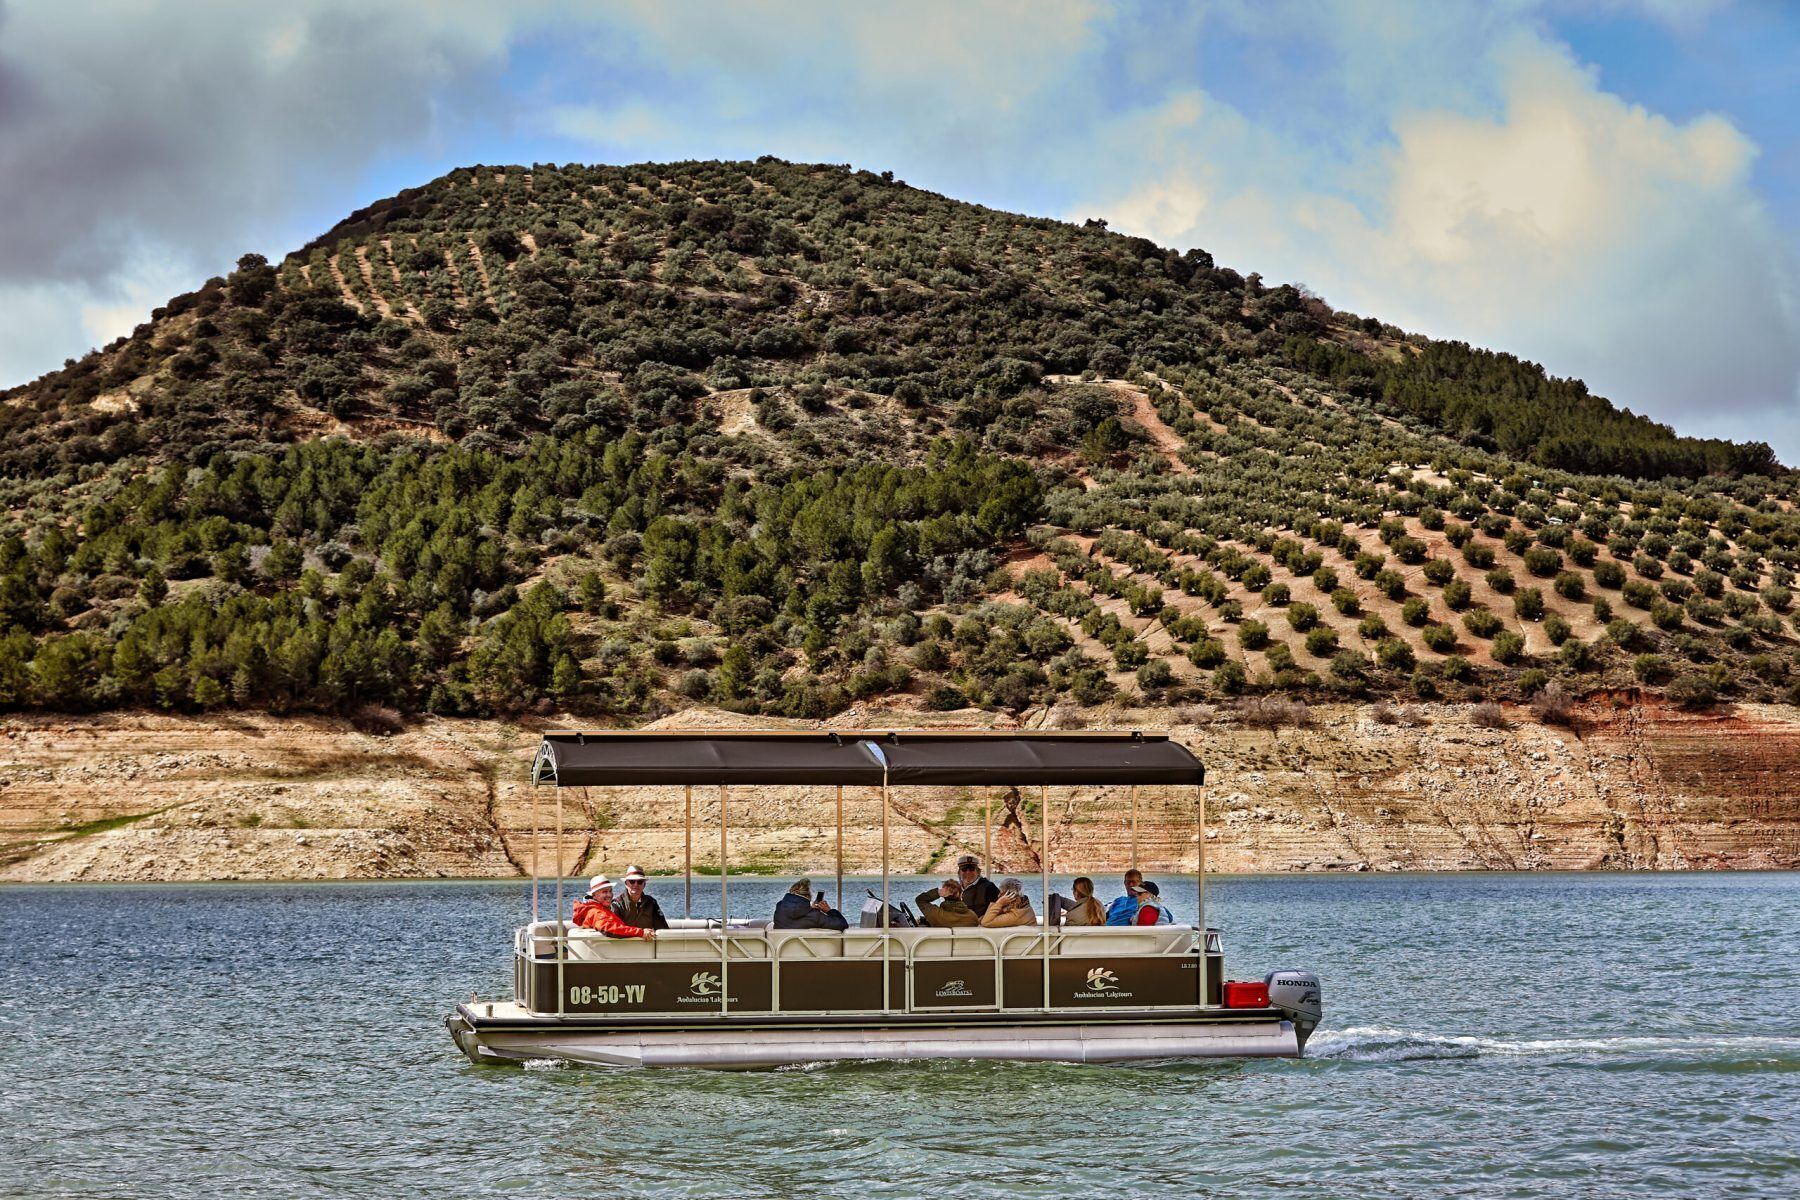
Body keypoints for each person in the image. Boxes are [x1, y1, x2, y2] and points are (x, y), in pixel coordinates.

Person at [571, 876, 655, 940]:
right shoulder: (596, 912)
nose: (609, 895)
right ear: (594, 896)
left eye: (610, 891)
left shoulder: (599, 909)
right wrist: (640, 932)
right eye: (604, 892)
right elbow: (610, 929)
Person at [772, 878, 849, 931]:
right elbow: (842, 924)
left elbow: (797, 911)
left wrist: (809, 909)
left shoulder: (779, 909)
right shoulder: (815, 916)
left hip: (781, 949)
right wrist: (829, 911)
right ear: (808, 896)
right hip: (805, 950)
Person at [611, 864, 670, 931]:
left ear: (644, 884)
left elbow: (662, 927)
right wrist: (640, 932)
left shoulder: (651, 902)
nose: (636, 884)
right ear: (626, 883)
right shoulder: (617, 904)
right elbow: (615, 929)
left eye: (640, 882)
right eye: (632, 881)